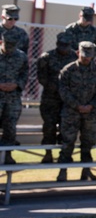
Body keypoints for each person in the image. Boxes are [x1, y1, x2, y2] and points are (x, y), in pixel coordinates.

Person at [56, 41, 96, 181]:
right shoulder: (68, 70)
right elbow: (63, 91)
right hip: (71, 112)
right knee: (67, 142)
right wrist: (77, 105)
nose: (86, 59)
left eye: (89, 57)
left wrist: (91, 105)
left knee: (88, 143)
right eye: (84, 57)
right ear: (78, 53)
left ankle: (86, 170)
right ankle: (63, 171)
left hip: (91, 112)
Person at [35, 32, 77, 162]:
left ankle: (64, 154)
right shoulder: (46, 57)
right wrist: (53, 87)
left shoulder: (74, 58)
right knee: (49, 126)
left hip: (67, 100)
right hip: (50, 99)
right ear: (57, 44)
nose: (64, 48)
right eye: (62, 45)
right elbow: (41, 77)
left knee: (67, 128)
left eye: (67, 46)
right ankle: (48, 153)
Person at [0, 31, 29, 162]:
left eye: (13, 46)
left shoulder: (21, 56)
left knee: (10, 128)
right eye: (8, 46)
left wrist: (17, 84)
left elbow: (25, 73)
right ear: (1, 42)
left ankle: (7, 155)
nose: (10, 49)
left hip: (12, 99)